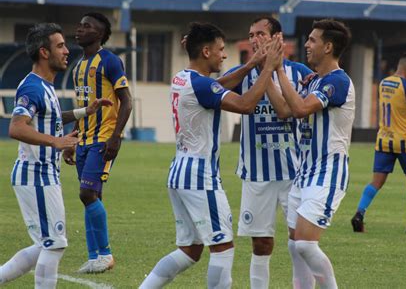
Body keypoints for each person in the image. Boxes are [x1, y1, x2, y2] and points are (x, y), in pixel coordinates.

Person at [139, 22, 283, 289]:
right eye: (219, 50)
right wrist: (267, 68)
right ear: (206, 52)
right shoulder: (202, 86)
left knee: (190, 251)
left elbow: (216, 86)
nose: (223, 55)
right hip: (199, 176)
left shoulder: (183, 78)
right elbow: (246, 104)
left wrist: (252, 64)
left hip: (179, 173)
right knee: (223, 247)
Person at [0, 23, 111, 288]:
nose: (66, 51)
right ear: (44, 52)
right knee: (55, 244)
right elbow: (16, 128)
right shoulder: (33, 88)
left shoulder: (46, 86)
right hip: (35, 174)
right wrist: (57, 142)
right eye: (60, 45)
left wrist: (86, 111)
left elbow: (51, 118)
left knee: (44, 245)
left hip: (44, 174)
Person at [224, 16, 312, 289]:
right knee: (260, 243)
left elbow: (286, 112)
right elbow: (215, 89)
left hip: (293, 172)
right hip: (256, 173)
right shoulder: (244, 72)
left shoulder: (299, 73)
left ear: (277, 38)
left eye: (260, 34)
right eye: (251, 35)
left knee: (301, 241)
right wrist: (258, 66)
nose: (254, 39)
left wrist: (271, 71)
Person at [266, 18, 354, 288]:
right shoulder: (313, 80)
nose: (307, 44)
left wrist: (279, 71)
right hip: (304, 172)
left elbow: (302, 109)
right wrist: (265, 70)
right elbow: (285, 110)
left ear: (328, 47)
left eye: (313, 40)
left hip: (328, 171)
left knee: (305, 244)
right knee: (295, 247)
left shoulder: (337, 82)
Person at [62, 12, 133, 273]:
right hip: (84, 139)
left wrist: (116, 136)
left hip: (104, 139)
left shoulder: (110, 61)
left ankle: (105, 255)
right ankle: (94, 257)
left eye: (87, 26)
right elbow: (82, 107)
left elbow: (127, 100)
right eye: (79, 25)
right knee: (90, 195)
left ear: (101, 34)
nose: (79, 29)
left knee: (86, 193)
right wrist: (71, 140)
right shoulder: (79, 66)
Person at [351, 53, 406, 235]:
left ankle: (359, 213)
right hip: (405, 141)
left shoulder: (383, 83)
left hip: (384, 140)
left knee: (376, 181)